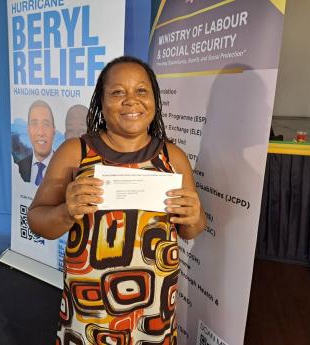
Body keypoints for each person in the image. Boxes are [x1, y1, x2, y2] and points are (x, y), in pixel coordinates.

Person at [28, 56, 206, 344]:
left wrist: (195, 216)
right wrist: (66, 211)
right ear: (101, 100)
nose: (131, 100)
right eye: (118, 92)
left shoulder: (173, 158)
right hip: (91, 315)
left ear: (155, 99)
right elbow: (37, 220)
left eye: (141, 91)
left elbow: (191, 229)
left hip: (154, 312)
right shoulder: (76, 153)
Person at [17, 100, 55, 185]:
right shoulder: (18, 168)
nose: (40, 133)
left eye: (46, 124)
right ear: (28, 130)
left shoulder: (66, 169)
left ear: (54, 130)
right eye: (34, 124)